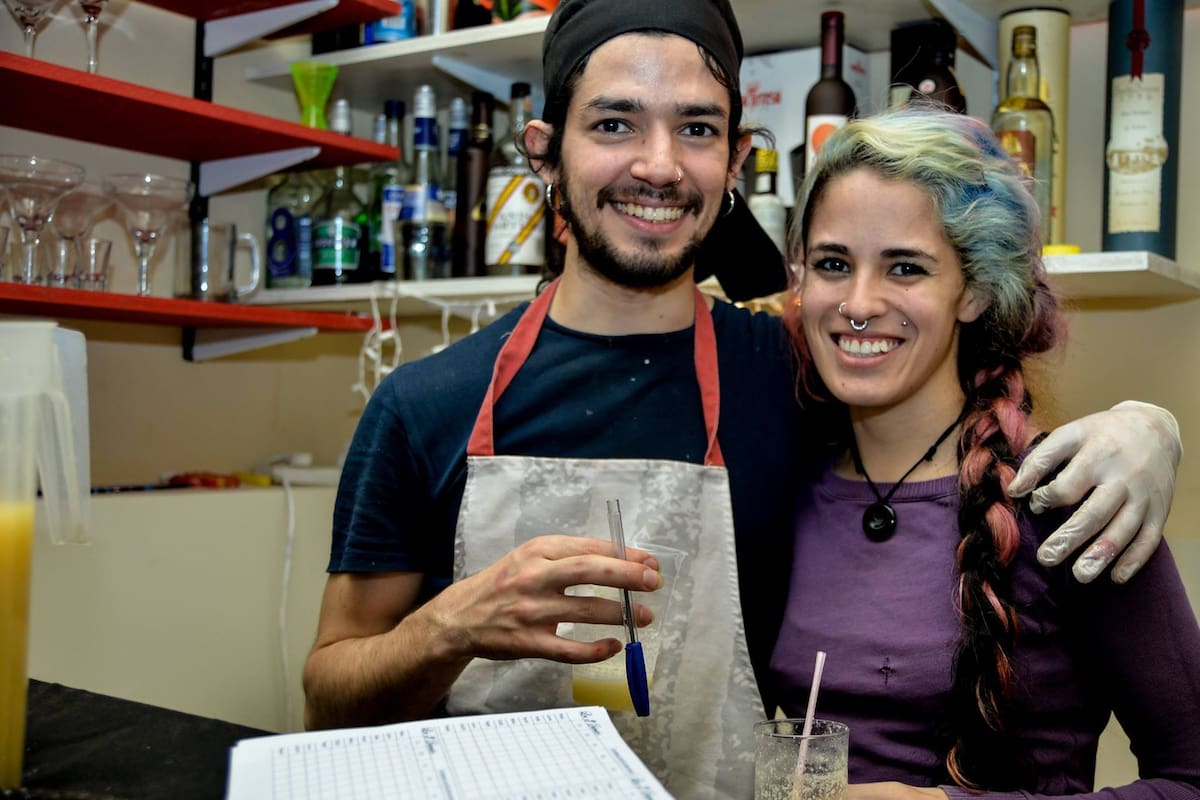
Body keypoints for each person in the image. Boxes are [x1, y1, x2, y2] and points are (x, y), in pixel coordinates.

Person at [302, 2, 1184, 797]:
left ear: (734, 161)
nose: (657, 165)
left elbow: (946, 407)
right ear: (544, 150)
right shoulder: (423, 405)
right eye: (615, 123)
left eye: (695, 128)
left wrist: (1146, 428)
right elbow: (327, 709)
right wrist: (450, 627)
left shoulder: (790, 373)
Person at [770, 107, 1200, 800]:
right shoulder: (784, 473)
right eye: (831, 264)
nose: (857, 302)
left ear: (972, 290)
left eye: (905, 267)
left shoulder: (1070, 496)